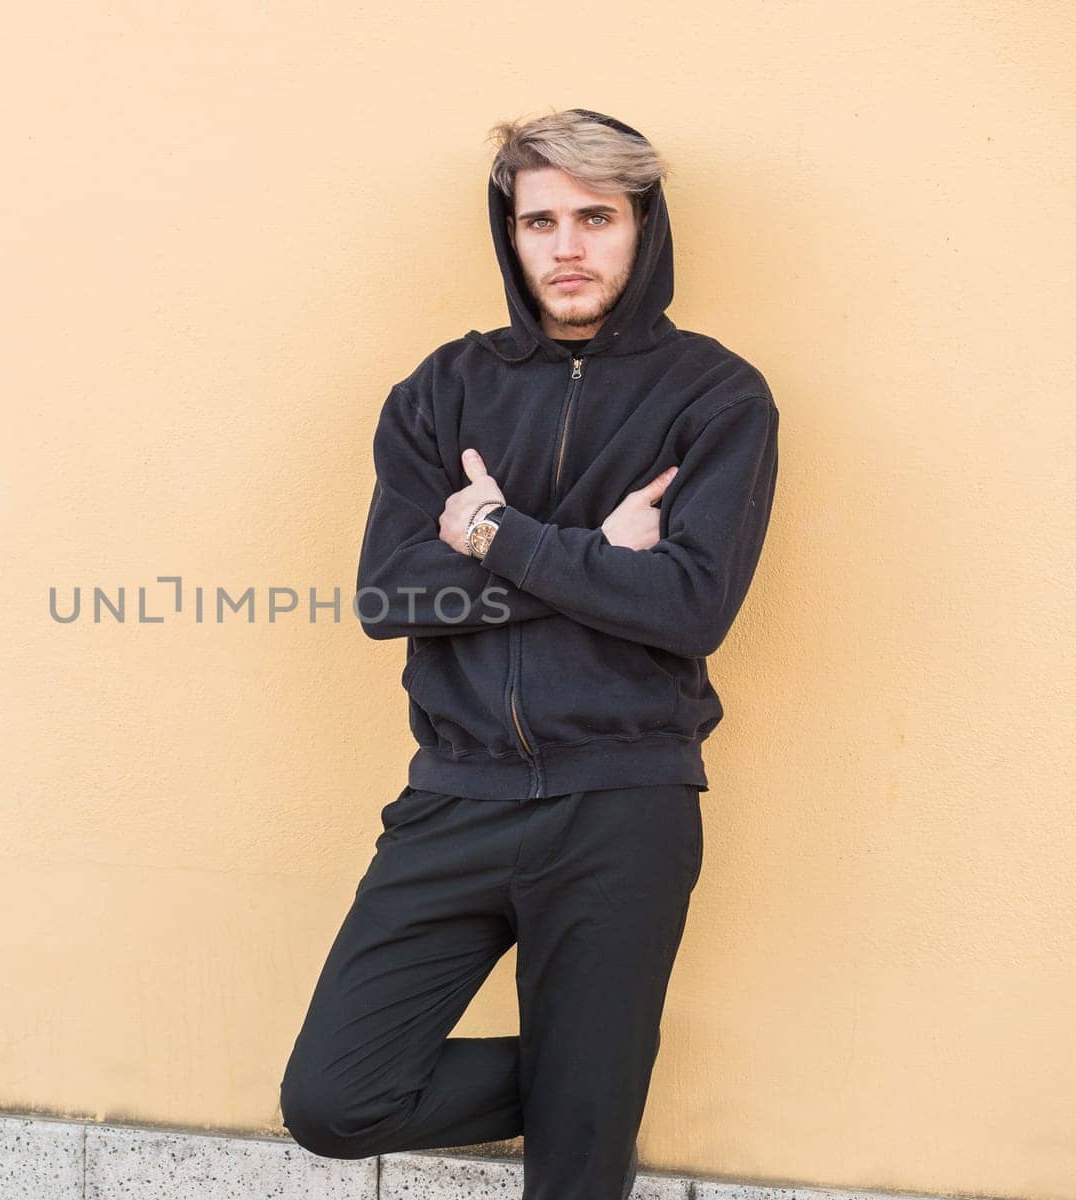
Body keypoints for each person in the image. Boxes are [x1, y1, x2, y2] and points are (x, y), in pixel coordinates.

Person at [278, 108, 781, 1198]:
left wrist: (500, 535)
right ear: (507, 234)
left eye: (595, 218)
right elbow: (387, 593)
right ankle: (588, 1069)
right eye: (538, 220)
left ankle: (590, 1083)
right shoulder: (441, 391)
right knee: (334, 1097)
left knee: (576, 1164)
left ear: (643, 229)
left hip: (621, 799)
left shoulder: (714, 396)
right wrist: (597, 565)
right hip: (453, 798)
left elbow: (690, 606)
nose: (566, 247)